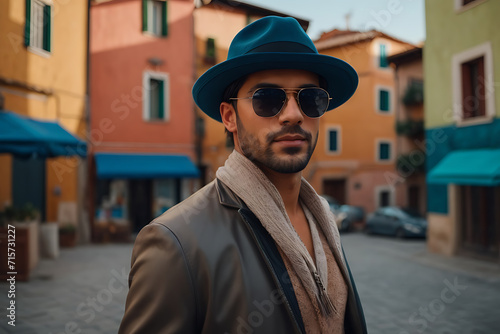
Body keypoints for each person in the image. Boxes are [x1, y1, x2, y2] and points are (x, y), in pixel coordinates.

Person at [119, 16, 367, 334]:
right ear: (229, 116)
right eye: (268, 99)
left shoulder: (325, 220)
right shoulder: (176, 242)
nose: (293, 114)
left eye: (310, 98)